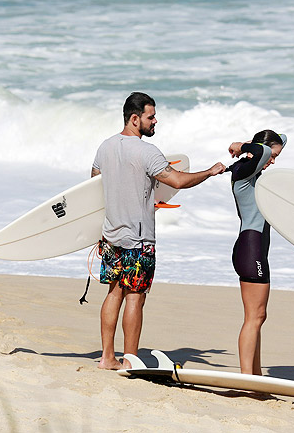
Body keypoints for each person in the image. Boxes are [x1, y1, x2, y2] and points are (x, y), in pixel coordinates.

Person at [91, 92, 226, 370]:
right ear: (134, 118)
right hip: (138, 239)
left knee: (113, 292)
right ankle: (130, 359)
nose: (155, 121)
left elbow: (94, 184)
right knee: (135, 297)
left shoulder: (105, 147)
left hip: (110, 235)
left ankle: (107, 357)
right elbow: (177, 180)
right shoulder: (147, 151)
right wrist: (210, 172)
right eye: (151, 117)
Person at [227, 130, 287, 375]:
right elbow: (262, 150)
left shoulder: (252, 169)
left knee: (258, 316)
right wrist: (241, 145)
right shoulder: (244, 171)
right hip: (251, 248)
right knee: (255, 316)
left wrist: (269, 144)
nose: (273, 160)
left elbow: (279, 138)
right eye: (273, 155)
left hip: (254, 249)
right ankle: (246, 378)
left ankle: (256, 376)